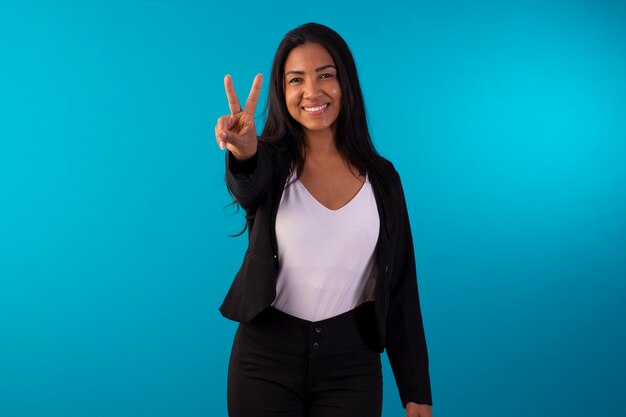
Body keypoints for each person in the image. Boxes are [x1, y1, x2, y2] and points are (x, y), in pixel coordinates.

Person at [214, 23, 433, 417]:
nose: (312, 92)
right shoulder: (271, 164)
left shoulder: (384, 180)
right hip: (265, 361)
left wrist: (415, 391)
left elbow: (400, 287)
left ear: (345, 83)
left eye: (326, 76)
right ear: (283, 93)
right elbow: (248, 184)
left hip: (352, 365)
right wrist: (245, 153)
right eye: (296, 79)